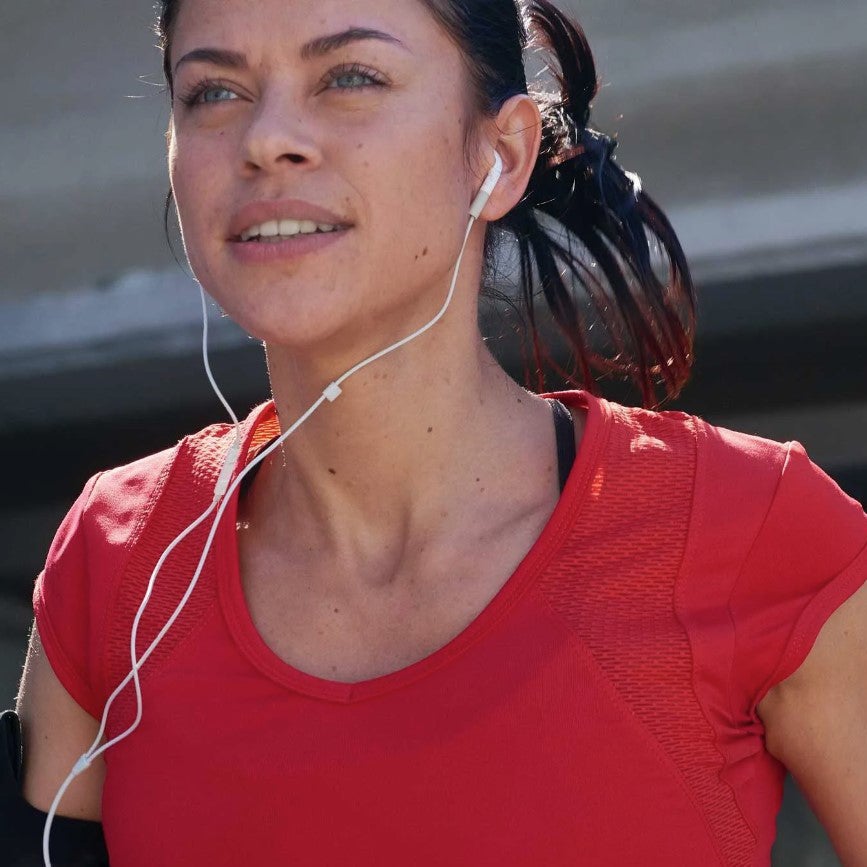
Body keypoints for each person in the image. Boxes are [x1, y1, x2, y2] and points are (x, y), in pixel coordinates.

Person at [6, 0, 867, 864]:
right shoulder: (119, 559)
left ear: (500, 156)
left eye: (349, 77)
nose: (266, 139)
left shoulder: (754, 530)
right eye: (212, 92)